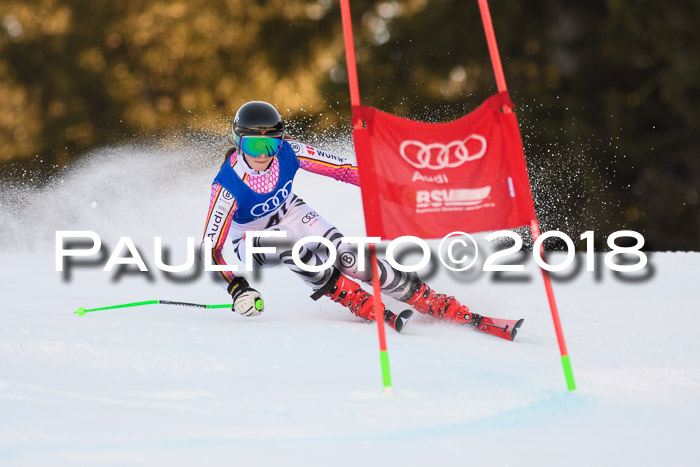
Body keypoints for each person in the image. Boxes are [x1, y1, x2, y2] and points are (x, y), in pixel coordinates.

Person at [200, 101, 478, 332]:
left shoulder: (289, 152)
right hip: (251, 240)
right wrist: (237, 288)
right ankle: (353, 298)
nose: (263, 156)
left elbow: (343, 169)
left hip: (291, 212)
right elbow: (210, 251)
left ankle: (425, 297)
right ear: (237, 143)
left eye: (270, 146)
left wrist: (394, 191)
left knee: (349, 257)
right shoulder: (227, 187)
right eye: (253, 147)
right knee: (284, 241)